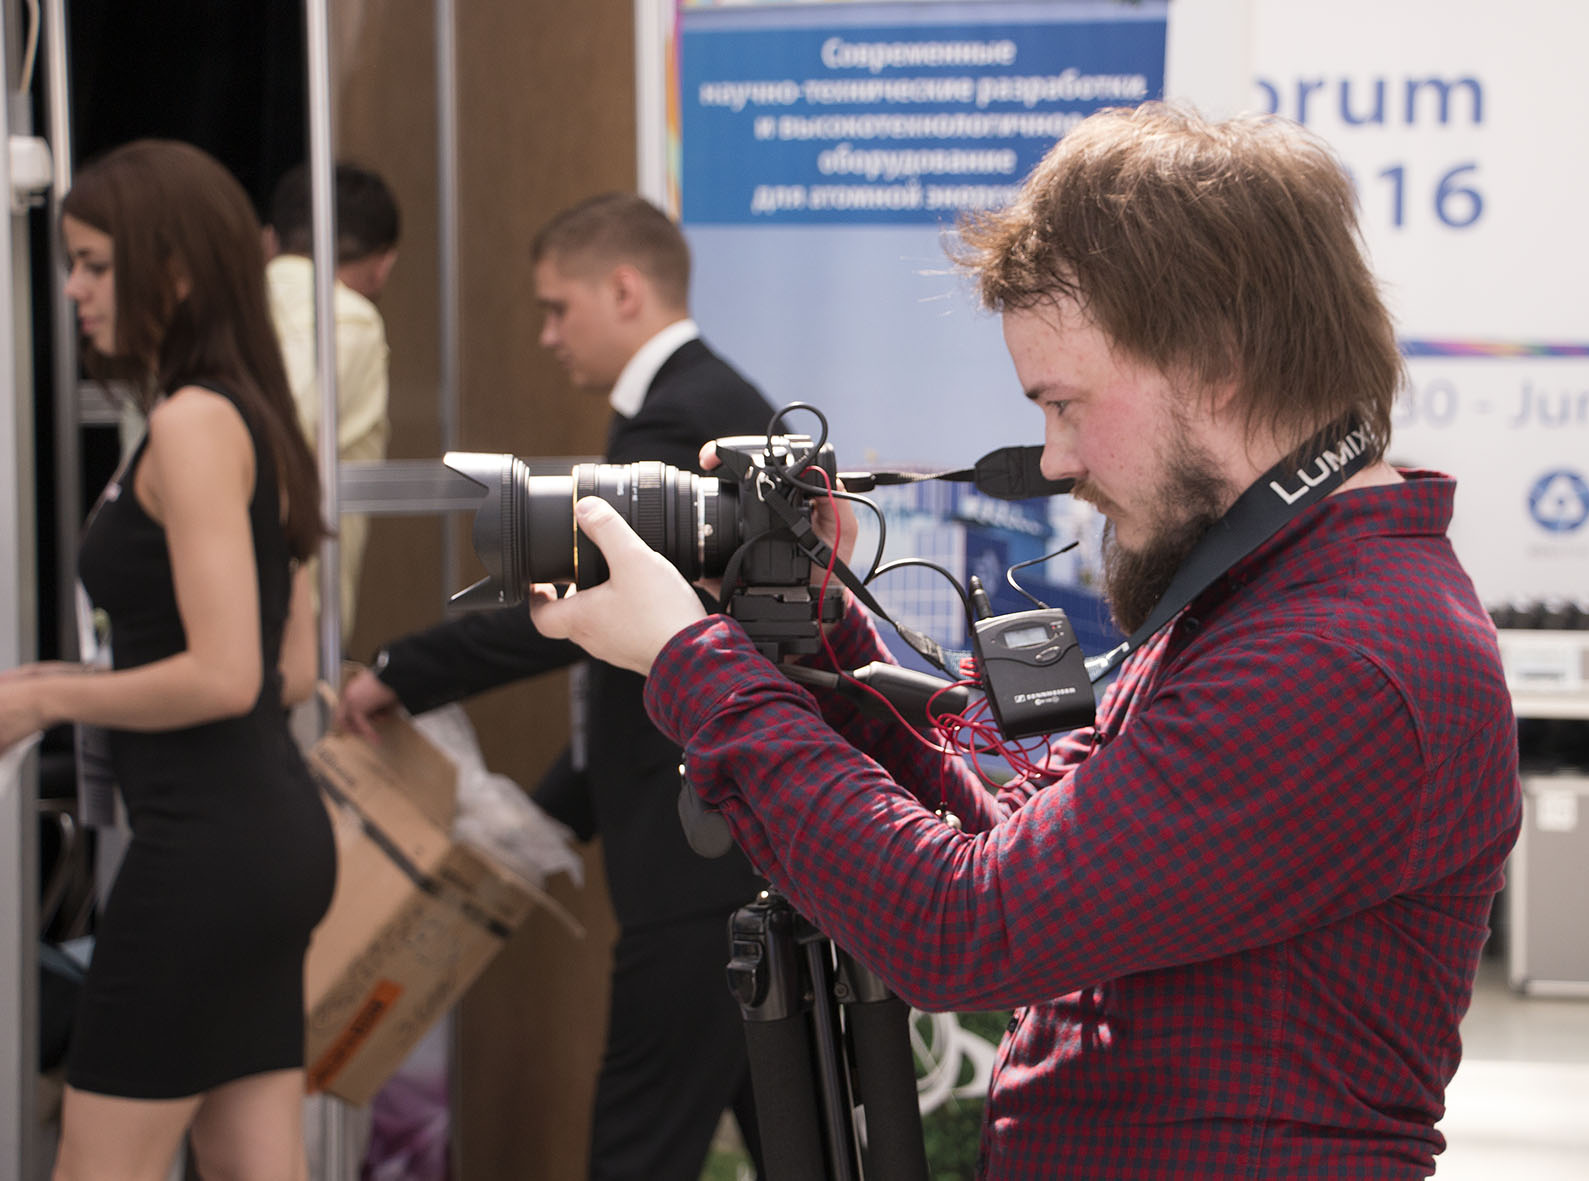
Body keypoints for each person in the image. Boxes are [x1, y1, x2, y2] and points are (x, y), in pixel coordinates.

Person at [527, 104, 1523, 1179]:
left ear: (1217, 360)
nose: (1052, 460)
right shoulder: (1270, 598)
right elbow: (1013, 855)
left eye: (1064, 403)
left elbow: (962, 926)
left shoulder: (1335, 659)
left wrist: (694, 665)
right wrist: (816, 636)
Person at [334, 193, 776, 1180]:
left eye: (555, 307)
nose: (545, 335)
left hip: (697, 866)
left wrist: (403, 672)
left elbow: (574, 604)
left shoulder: (681, 420)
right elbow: (643, 662)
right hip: (724, 860)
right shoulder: (710, 403)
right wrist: (544, 819)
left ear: (623, 290)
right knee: (794, 1144)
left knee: (636, 1152)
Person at [0, 140, 337, 1180]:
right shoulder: (255, 415)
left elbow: (228, 674)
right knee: (248, 1158)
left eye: (96, 264)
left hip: (204, 856)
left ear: (176, 269)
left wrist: (49, 696)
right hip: (268, 845)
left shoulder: (193, 424)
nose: (74, 289)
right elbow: (287, 671)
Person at [265, 160, 399, 645]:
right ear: (384, 264)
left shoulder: (220, 308)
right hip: (290, 618)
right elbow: (273, 440)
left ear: (270, 240)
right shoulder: (347, 320)